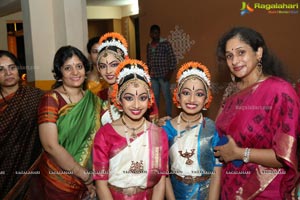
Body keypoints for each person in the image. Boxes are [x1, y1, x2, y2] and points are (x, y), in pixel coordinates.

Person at [214, 27, 299, 199]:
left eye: (241, 52)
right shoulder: (231, 93)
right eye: (229, 56)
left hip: (265, 190)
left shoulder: (280, 91)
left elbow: (285, 154)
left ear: (258, 52)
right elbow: (216, 134)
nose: (235, 61)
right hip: (228, 187)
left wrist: (240, 153)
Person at [93, 59, 169, 199]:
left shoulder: (158, 134)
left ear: (149, 100)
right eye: (129, 98)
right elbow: (101, 184)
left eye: (142, 98)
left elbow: (160, 182)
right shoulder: (104, 134)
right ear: (119, 99)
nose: (136, 105)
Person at [36, 45, 101, 199]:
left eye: (79, 66)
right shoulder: (51, 100)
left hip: (89, 177)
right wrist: (82, 174)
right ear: (60, 74)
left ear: (86, 69)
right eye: (68, 68)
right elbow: (50, 145)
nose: (75, 72)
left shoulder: (94, 100)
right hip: (59, 179)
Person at [163, 61, 221, 200]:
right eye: (186, 93)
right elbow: (163, 175)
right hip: (176, 193)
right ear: (177, 95)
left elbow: (216, 174)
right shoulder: (166, 130)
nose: (192, 99)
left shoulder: (212, 129)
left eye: (199, 94)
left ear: (207, 98)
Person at [0, 50, 43, 199]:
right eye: (1, 69)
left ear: (19, 70)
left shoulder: (36, 96)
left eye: (12, 67)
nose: (8, 73)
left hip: (30, 167)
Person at [96, 32, 159, 125]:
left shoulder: (141, 91)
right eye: (103, 66)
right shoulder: (100, 96)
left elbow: (154, 124)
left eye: (114, 64)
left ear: (123, 63)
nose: (108, 71)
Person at [146, 24, 177, 117]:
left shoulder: (165, 44)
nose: (155, 35)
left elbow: (173, 59)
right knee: (155, 98)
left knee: (167, 97)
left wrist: (169, 74)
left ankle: (169, 116)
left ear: (159, 33)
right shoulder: (149, 45)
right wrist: (148, 73)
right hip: (153, 76)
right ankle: (156, 116)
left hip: (164, 75)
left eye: (157, 33)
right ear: (150, 34)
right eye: (153, 33)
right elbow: (148, 60)